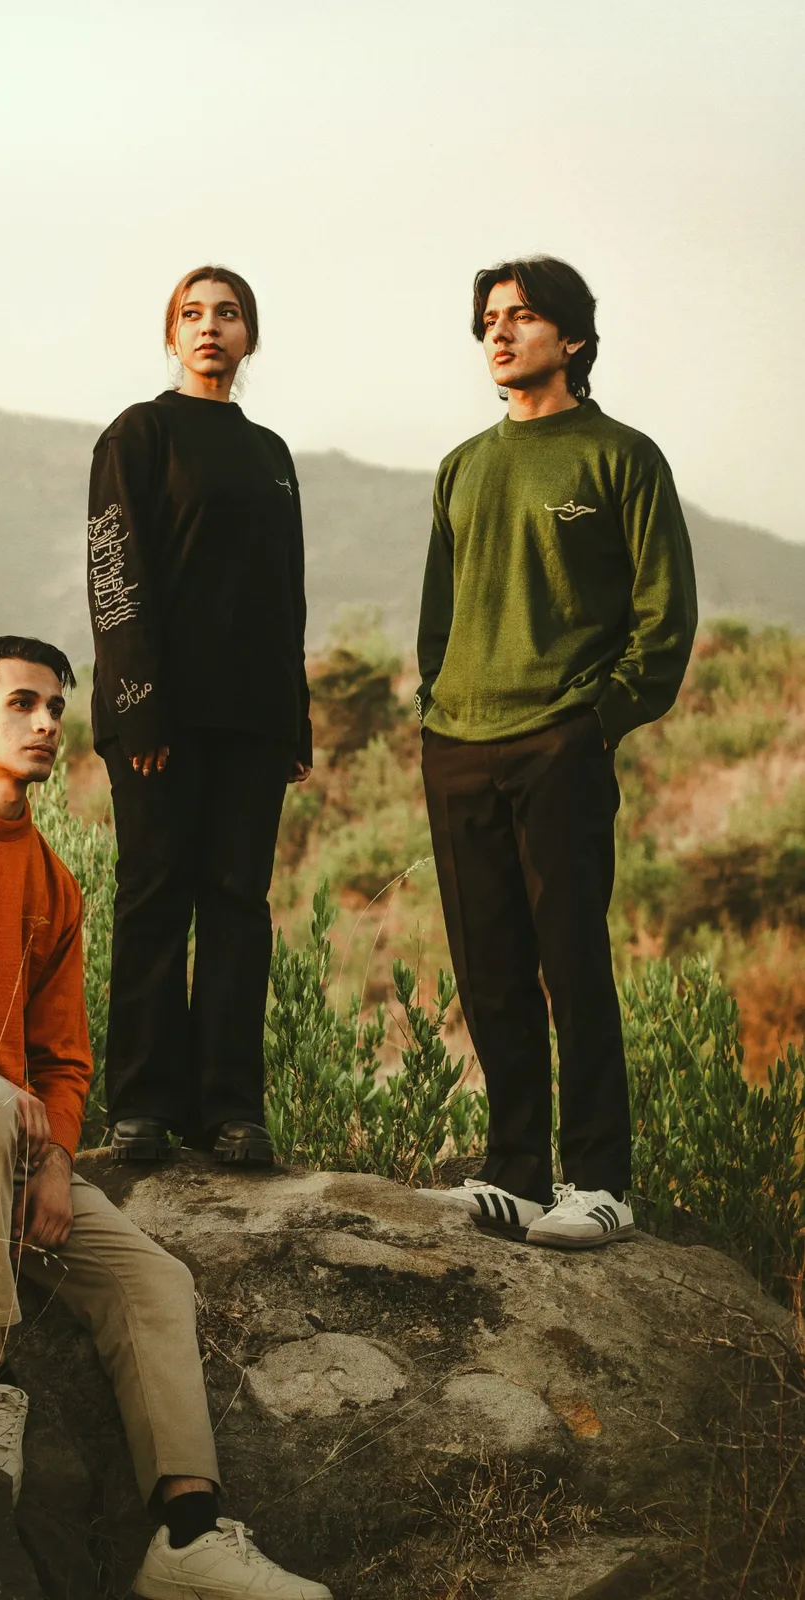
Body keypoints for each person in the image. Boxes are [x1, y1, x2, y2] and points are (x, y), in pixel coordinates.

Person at [0, 636, 331, 1600]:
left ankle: (185, 1534)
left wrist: (53, 1160)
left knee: (150, 1278)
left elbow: (61, 1059)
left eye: (57, 706)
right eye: (24, 703)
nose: (48, 723)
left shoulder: (52, 881)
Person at [417, 257, 697, 1250]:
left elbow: (663, 618)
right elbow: (436, 620)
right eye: (488, 320)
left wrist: (595, 720)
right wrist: (433, 708)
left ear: (570, 338)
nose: (498, 335)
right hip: (457, 743)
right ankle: (513, 1172)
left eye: (522, 318)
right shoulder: (460, 464)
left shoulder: (619, 457)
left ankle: (599, 1179)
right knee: (486, 967)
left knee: (569, 958)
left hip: (558, 743)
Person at [86, 265, 312, 1165]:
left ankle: (229, 1110)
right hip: (160, 719)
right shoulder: (139, 433)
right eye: (192, 314)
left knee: (236, 906)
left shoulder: (271, 454)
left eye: (226, 314)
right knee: (152, 898)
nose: (209, 326)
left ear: (248, 336)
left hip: (252, 717)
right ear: (171, 337)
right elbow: (114, 570)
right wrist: (140, 710)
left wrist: (292, 715)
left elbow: (284, 591)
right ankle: (140, 1105)